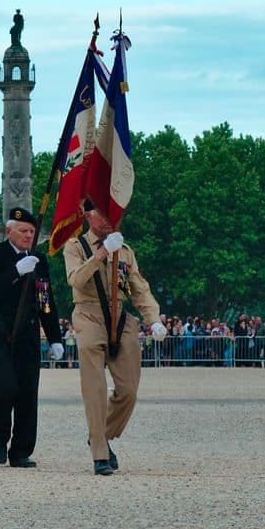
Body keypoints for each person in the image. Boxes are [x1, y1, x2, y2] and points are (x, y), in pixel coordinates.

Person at [64, 201, 165, 476]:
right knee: (95, 388)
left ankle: (100, 433)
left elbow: (138, 289)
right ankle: (99, 453)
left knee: (129, 391)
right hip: (89, 314)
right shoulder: (75, 246)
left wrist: (153, 319)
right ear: (88, 215)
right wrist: (99, 254)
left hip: (120, 317)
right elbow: (75, 279)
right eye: (103, 212)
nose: (110, 218)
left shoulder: (125, 251)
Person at [0, 209, 64, 468]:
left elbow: (45, 300)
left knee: (28, 394)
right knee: (6, 387)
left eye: (32, 232)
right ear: (9, 232)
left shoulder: (38, 259)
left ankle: (21, 451)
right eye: (24, 231)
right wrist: (16, 272)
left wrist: (55, 337)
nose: (29, 236)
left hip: (28, 336)